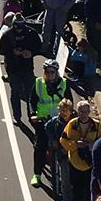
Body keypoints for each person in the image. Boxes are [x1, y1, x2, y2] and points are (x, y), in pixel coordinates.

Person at [29, 59, 71, 187]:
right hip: (43, 119)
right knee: (40, 145)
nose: (49, 74)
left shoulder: (64, 83)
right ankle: (37, 174)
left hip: (59, 120)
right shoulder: (38, 83)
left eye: (52, 72)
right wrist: (33, 115)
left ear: (57, 72)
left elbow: (69, 101)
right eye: (47, 72)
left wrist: (70, 114)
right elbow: (32, 101)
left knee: (66, 144)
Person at [60, 100, 101, 201]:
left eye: (85, 112)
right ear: (77, 111)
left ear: (89, 112)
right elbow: (63, 140)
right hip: (74, 163)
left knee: (89, 191)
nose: (83, 114)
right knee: (76, 190)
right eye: (80, 111)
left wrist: (92, 145)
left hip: (90, 165)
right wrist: (76, 144)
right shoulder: (72, 124)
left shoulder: (98, 126)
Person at [0, 13, 41, 122]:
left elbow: (39, 46)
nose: (19, 31)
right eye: (17, 29)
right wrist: (12, 52)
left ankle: (32, 115)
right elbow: (1, 50)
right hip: (13, 67)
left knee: (30, 92)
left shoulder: (31, 33)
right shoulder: (7, 35)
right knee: (15, 92)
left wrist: (31, 53)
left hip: (27, 67)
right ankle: (17, 116)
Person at [46, 98, 75, 201]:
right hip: (62, 156)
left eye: (66, 110)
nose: (63, 112)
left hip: (75, 155)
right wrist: (53, 140)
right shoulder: (54, 122)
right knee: (65, 181)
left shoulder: (75, 122)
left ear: (71, 111)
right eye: (61, 110)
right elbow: (47, 127)